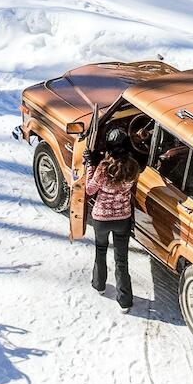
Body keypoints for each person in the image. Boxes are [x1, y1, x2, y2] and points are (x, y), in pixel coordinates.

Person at [84, 126, 138, 310]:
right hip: (123, 218)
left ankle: (99, 285)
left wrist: (89, 166)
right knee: (121, 260)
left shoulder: (103, 168)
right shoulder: (133, 167)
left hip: (101, 218)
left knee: (101, 251)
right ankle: (124, 301)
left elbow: (89, 190)